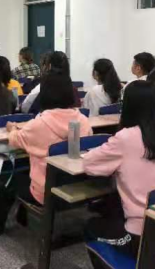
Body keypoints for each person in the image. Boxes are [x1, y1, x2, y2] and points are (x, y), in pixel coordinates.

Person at [83, 81, 155, 263]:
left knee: (91, 226)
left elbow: (89, 164)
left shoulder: (125, 137)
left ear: (127, 105)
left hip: (140, 234)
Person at [8, 73, 92, 205]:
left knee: (10, 181)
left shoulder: (39, 124)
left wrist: (12, 129)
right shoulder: (83, 120)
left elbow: (15, 141)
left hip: (45, 192)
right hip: (76, 187)